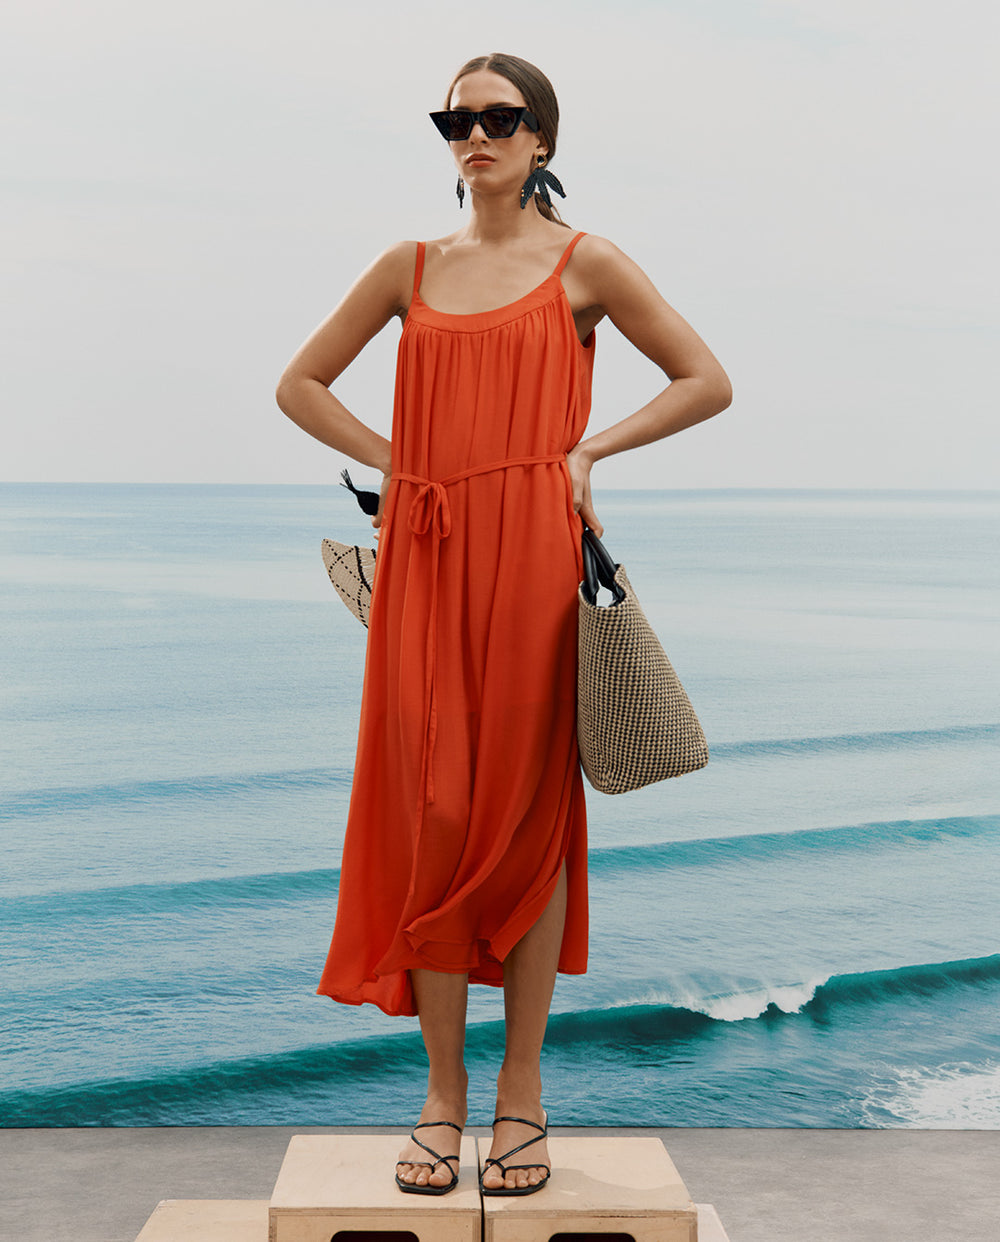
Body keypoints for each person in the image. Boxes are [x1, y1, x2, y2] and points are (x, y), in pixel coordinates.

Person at [275, 52, 732, 1197]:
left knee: (529, 820)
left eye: (498, 118)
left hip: (531, 556)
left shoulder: (587, 266)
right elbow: (302, 386)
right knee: (431, 813)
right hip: (426, 562)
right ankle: (440, 1095)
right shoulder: (408, 265)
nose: (473, 135)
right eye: (455, 119)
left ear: (541, 141)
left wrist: (584, 454)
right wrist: (408, 464)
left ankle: (520, 1096)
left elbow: (702, 379)